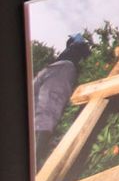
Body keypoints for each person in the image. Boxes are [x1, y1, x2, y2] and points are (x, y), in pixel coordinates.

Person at [34, 34, 92, 168]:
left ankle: (35, 160)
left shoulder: (80, 48)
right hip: (51, 67)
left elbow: (85, 50)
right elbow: (71, 41)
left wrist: (82, 42)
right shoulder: (69, 48)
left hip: (64, 69)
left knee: (47, 108)